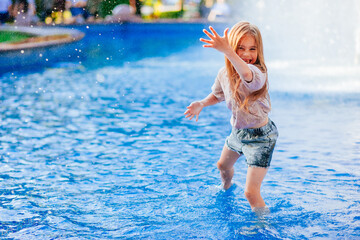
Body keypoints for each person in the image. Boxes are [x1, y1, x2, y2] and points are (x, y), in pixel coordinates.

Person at [184, 21, 278, 212]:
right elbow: (218, 94)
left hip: (261, 138)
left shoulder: (258, 72)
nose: (247, 54)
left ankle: (263, 224)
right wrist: (201, 103)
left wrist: (228, 51)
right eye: (240, 48)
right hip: (238, 133)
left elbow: (246, 75)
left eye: (253, 49)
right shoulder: (224, 73)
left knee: (251, 193)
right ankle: (226, 186)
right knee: (222, 166)